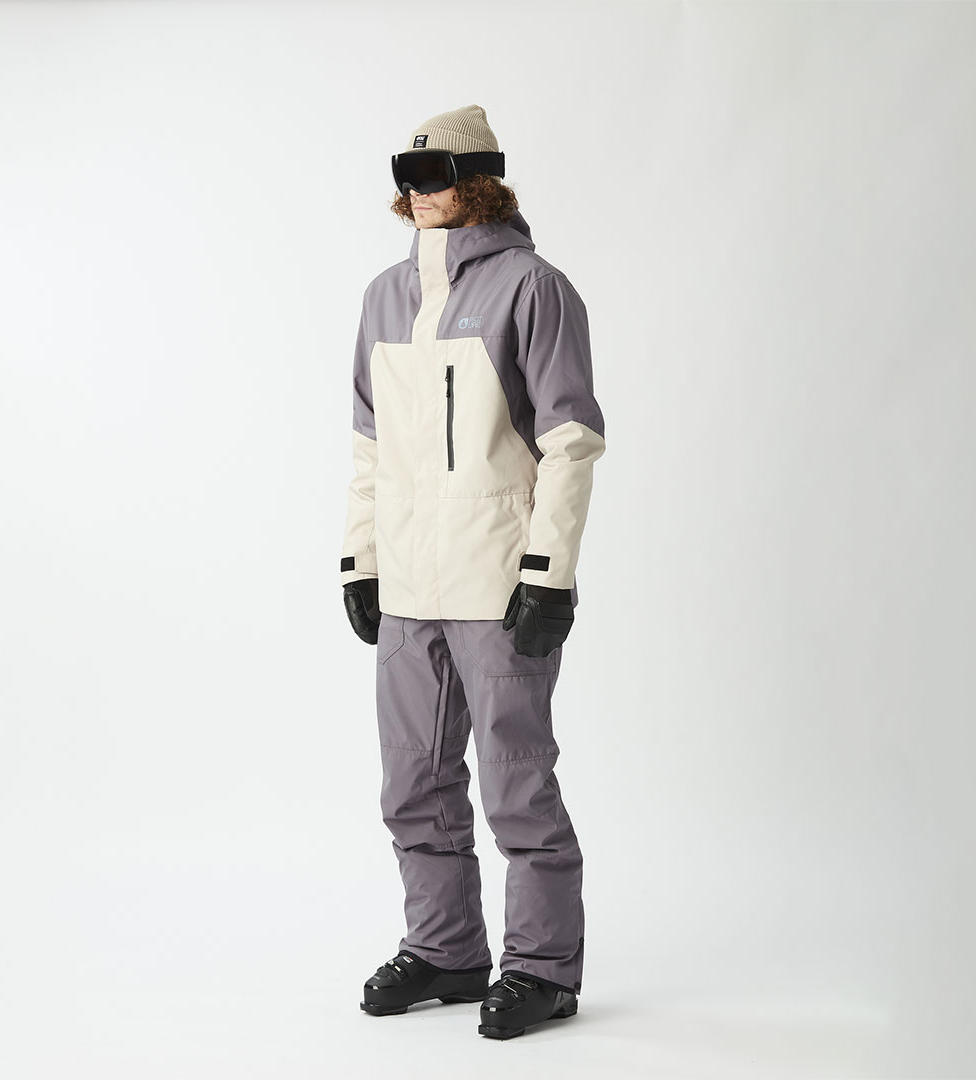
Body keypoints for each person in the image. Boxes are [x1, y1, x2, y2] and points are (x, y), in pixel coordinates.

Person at [339, 104, 606, 1040]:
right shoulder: (382, 297)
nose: (418, 193)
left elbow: (570, 440)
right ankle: (447, 950)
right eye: (406, 177)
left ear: (479, 181)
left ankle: (542, 968)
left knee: (515, 783)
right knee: (412, 783)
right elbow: (370, 446)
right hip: (410, 587)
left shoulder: (535, 288)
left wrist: (548, 573)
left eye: (436, 176)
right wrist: (361, 560)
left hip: (497, 583)